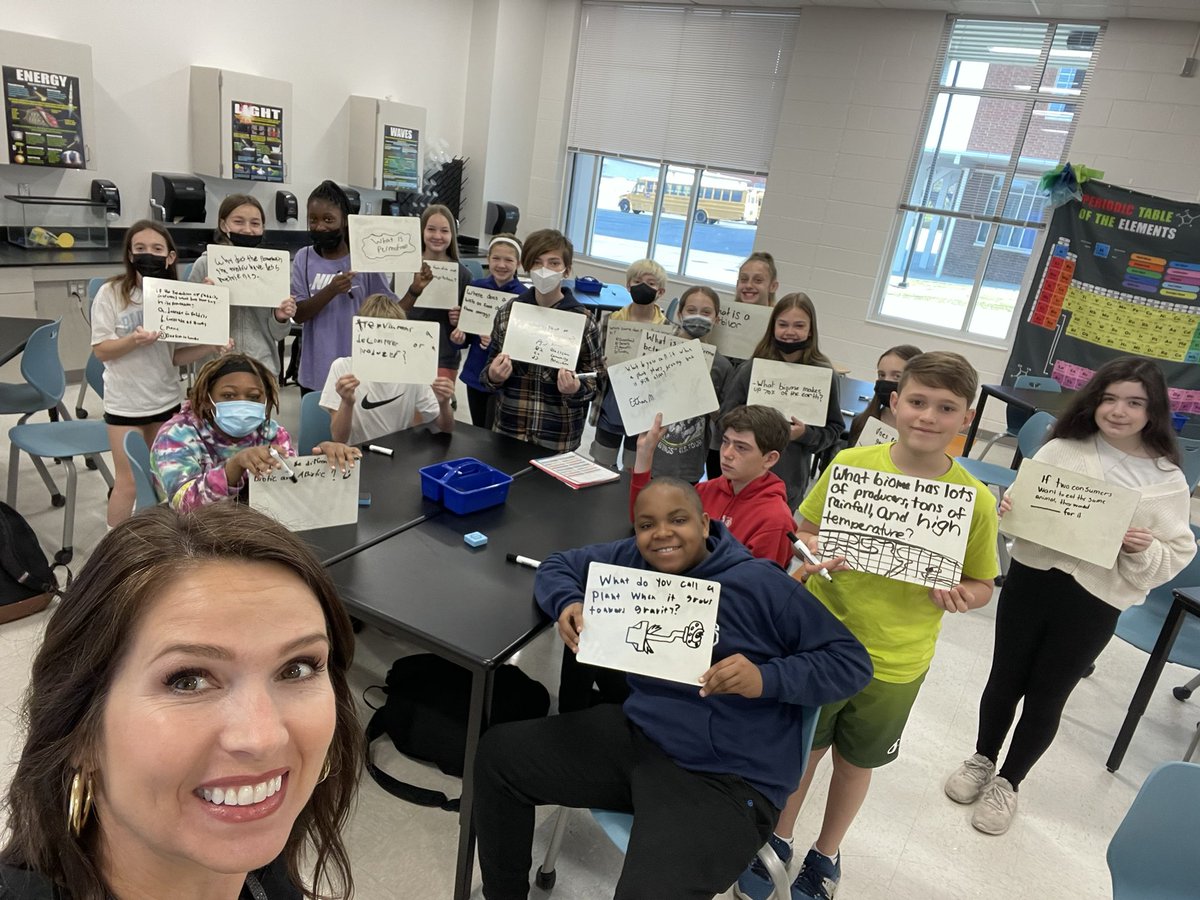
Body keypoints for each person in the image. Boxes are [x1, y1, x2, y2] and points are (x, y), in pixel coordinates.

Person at [473, 478, 873, 900]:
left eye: (677, 520)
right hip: (641, 736)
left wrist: (766, 678)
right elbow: (558, 565)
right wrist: (568, 602)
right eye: (647, 525)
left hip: (728, 778)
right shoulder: (636, 558)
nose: (661, 533)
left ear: (705, 524)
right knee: (499, 757)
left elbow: (852, 662)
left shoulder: (762, 584)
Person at [736, 351, 999, 900]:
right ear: (895, 403)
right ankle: (778, 838)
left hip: (895, 660)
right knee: (802, 752)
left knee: (856, 763)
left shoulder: (974, 502)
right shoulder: (852, 466)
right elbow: (804, 531)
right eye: (918, 402)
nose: (928, 417)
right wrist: (813, 552)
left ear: (967, 418)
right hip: (820, 643)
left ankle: (826, 853)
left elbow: (981, 584)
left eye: (946, 408)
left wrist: (961, 596)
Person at [0, 502, 361, 900]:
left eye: (297, 668)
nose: (264, 739)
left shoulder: (267, 873)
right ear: (80, 730)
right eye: (188, 681)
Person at [944, 356, 1196, 836]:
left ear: (1153, 411)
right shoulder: (1061, 449)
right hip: (1032, 579)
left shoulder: (1166, 481)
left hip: (1095, 599)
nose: (1118, 411)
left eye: (1134, 403)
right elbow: (1022, 508)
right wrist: (1011, 508)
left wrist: (1142, 549)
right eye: (1109, 398)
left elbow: (1177, 552)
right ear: (1094, 400)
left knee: (1048, 695)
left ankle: (1009, 782)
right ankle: (982, 758)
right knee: (1005, 677)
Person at [91, 220, 228, 527]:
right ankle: (112, 547)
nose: (148, 254)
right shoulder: (111, 293)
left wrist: (210, 345)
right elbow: (101, 350)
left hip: (165, 400)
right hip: (125, 404)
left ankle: (166, 539)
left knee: (166, 479)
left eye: (156, 249)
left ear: (170, 256)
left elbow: (174, 357)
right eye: (140, 248)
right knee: (128, 482)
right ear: (130, 254)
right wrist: (133, 340)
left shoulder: (174, 295)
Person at [152, 353, 360, 511]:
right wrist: (234, 466)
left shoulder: (271, 433)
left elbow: (290, 486)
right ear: (207, 399)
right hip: (189, 538)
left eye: (253, 397)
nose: (242, 403)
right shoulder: (176, 436)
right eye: (228, 395)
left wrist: (322, 461)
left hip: (253, 526)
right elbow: (183, 506)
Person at [479, 229, 603, 452]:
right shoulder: (509, 313)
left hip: (558, 436)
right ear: (527, 267)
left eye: (553, 263)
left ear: (567, 269)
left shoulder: (583, 321)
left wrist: (576, 387)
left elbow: (595, 379)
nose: (545, 270)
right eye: (537, 262)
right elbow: (488, 371)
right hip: (510, 429)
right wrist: (493, 375)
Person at [719, 293, 844, 509]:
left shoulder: (824, 376)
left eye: (799, 325)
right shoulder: (751, 369)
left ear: (810, 330)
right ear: (773, 327)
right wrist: (750, 429)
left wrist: (804, 434)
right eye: (783, 324)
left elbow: (834, 430)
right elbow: (725, 417)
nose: (790, 332)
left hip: (789, 482)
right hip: (741, 477)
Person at [632, 407, 796, 568]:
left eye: (741, 447)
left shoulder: (775, 520)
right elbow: (645, 523)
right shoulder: (705, 490)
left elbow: (759, 581)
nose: (726, 454)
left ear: (769, 459)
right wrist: (644, 454)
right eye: (725, 442)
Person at [290, 181, 411, 395]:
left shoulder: (364, 258)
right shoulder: (303, 257)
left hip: (358, 371)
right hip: (315, 372)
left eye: (328, 219)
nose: (320, 227)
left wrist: (415, 291)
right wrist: (331, 290)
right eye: (313, 220)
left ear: (345, 221)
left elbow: (390, 314)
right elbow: (298, 315)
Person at [319, 293, 455, 444]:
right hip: (358, 452)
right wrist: (347, 403)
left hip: (399, 452)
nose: (385, 344)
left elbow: (446, 428)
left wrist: (444, 404)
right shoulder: (343, 368)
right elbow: (339, 439)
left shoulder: (412, 370)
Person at [188, 194, 296, 373]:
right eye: (238, 222)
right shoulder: (205, 265)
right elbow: (191, 328)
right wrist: (203, 302)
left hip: (261, 366)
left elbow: (279, 334)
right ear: (223, 225)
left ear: (263, 227)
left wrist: (280, 317)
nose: (247, 230)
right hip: (215, 366)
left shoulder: (272, 268)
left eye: (255, 223)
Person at [589, 259, 670, 468]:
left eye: (651, 283)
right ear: (628, 286)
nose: (643, 287)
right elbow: (593, 362)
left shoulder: (668, 330)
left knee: (635, 468)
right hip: (611, 409)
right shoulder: (610, 321)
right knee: (601, 464)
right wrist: (602, 367)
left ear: (660, 291)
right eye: (637, 281)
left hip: (645, 415)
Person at [450, 234, 524, 429]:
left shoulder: (524, 297)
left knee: (496, 431)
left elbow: (525, 344)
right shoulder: (475, 288)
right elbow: (466, 337)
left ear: (518, 263)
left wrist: (497, 342)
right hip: (476, 372)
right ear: (488, 259)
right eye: (496, 258)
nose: (501, 265)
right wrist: (459, 337)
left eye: (509, 260)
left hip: (507, 378)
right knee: (478, 428)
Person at [401, 204, 473, 381]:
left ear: (452, 235)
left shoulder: (463, 274)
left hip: (443, 357)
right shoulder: (404, 266)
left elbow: (469, 328)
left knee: (439, 399)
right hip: (403, 351)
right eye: (431, 229)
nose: (437, 236)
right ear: (422, 231)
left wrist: (461, 321)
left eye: (444, 231)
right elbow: (393, 310)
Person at [846, 344, 923, 447]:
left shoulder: (924, 429)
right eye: (882, 375)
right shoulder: (861, 422)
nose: (886, 381)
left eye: (897, 376)